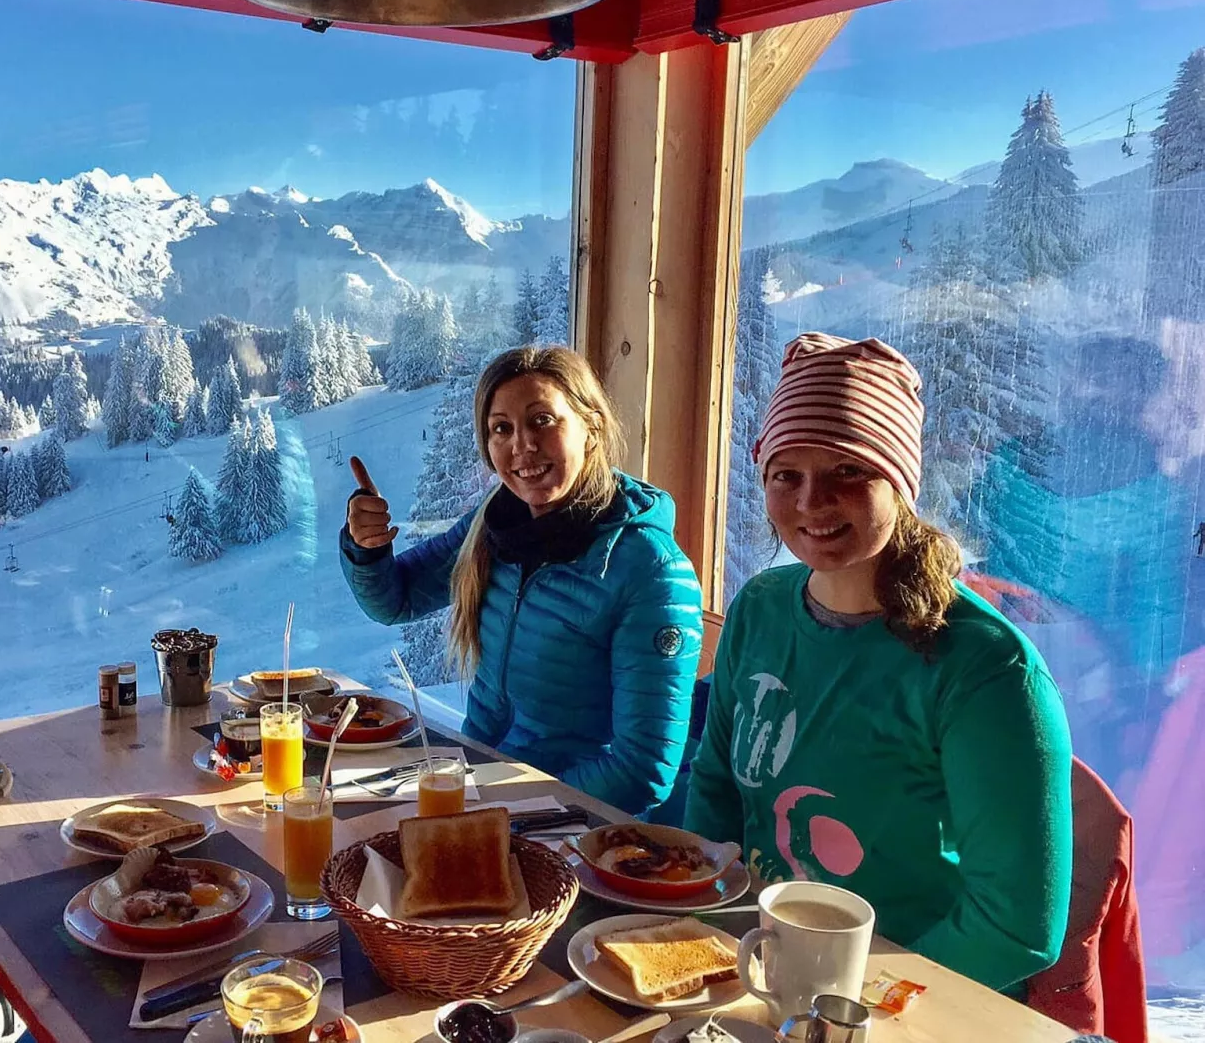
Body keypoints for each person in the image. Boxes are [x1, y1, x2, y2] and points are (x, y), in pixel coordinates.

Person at [685, 332, 1073, 993]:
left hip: (912, 995)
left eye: (848, 471)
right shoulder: (760, 607)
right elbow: (716, 786)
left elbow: (1015, 928)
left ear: (900, 482)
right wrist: (705, 928)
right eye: (786, 474)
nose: (811, 501)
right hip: (761, 961)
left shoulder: (986, 668)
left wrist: (851, 1001)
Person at [339, 345, 703, 814]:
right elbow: (396, 600)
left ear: (591, 428)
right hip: (482, 790)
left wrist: (510, 808)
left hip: (574, 830)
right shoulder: (495, 524)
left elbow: (641, 771)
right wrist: (367, 548)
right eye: (501, 429)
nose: (523, 445)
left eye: (542, 420)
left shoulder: (647, 566)